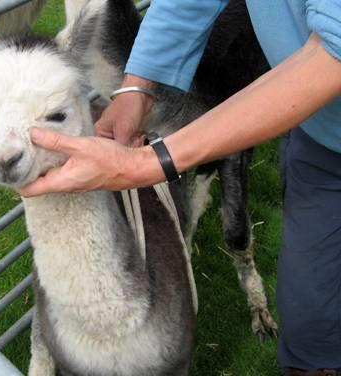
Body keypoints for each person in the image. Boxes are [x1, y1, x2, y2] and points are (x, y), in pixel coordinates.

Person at [20, 1, 341, 375]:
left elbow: (335, 49)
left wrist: (146, 163)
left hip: (318, 101)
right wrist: (135, 90)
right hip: (321, 136)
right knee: (311, 326)